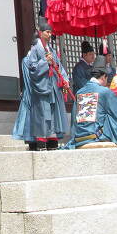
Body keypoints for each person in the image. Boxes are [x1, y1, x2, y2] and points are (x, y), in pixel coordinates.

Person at [64, 55, 117, 149]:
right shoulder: (105, 92)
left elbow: (74, 119)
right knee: (112, 116)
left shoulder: (79, 92)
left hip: (79, 137)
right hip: (97, 136)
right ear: (103, 77)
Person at [26, 18, 70, 150]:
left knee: (53, 113)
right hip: (42, 86)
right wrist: (45, 62)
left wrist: (65, 79)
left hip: (53, 86)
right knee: (42, 113)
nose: (50, 35)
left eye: (51, 32)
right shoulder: (35, 49)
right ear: (40, 32)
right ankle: (41, 141)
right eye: (47, 32)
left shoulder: (51, 49)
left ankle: (52, 139)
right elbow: (32, 68)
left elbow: (59, 67)